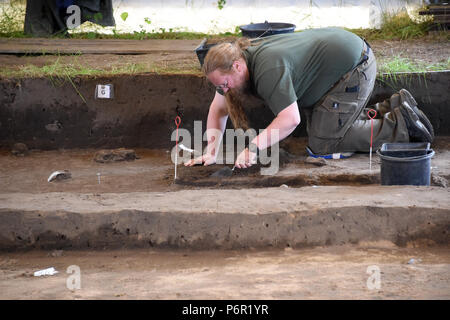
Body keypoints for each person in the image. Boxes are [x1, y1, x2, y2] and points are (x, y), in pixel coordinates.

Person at [184, 27, 434, 170]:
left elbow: (290, 118)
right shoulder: (237, 62)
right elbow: (218, 109)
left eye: (225, 84)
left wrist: (253, 147)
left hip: (355, 67)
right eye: (220, 86)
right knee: (322, 131)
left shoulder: (268, 69)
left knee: (325, 146)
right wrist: (211, 152)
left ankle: (401, 125)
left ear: (237, 67)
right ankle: (395, 107)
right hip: (332, 73)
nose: (224, 90)